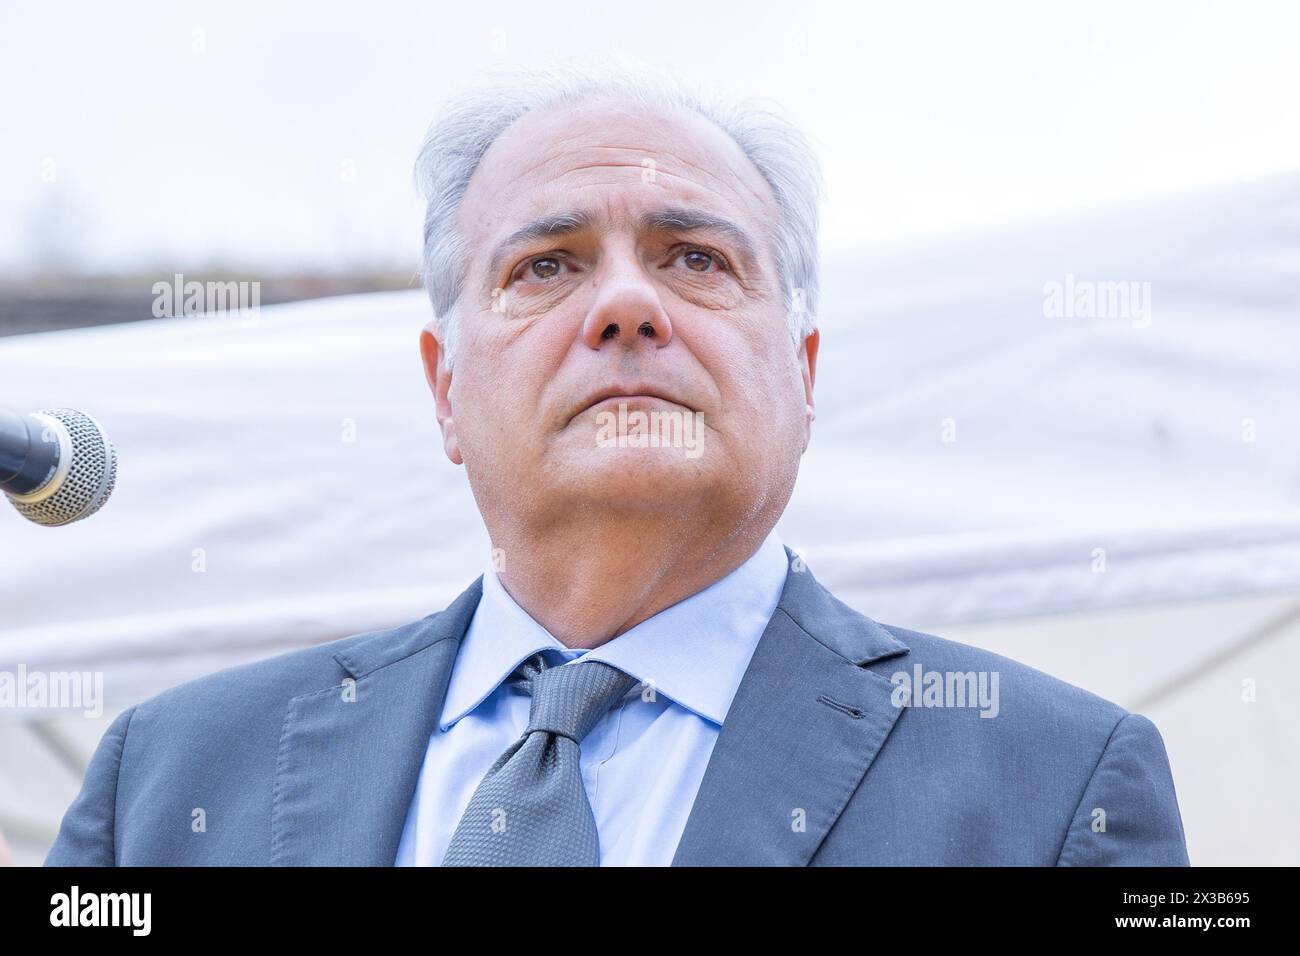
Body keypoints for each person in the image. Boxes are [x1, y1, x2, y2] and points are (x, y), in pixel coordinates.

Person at [45, 63, 1189, 867]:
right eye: (546, 265)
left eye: (694, 257)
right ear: (445, 389)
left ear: (801, 372)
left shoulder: (1054, 783)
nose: (628, 306)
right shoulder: (172, 776)